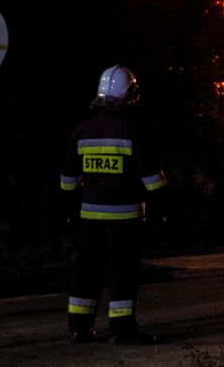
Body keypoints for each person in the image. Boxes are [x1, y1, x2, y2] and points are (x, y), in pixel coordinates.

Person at [59, 65, 168, 345]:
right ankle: (122, 329)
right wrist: (161, 211)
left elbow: (68, 181)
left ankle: (79, 328)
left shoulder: (82, 131)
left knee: (86, 271)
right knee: (124, 274)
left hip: (88, 219)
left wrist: (71, 214)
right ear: (128, 95)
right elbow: (152, 181)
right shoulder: (132, 130)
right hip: (125, 219)